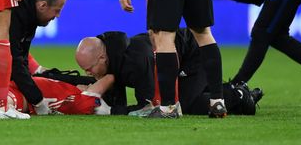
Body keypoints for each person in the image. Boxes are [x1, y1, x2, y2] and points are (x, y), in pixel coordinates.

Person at [74, 30, 262, 116]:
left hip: (192, 55)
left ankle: (240, 96)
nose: (88, 73)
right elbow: (118, 102)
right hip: (178, 56)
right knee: (188, 96)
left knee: (185, 105)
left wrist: (111, 111)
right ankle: (228, 89)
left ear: (102, 58)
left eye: (88, 69)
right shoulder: (113, 58)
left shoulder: (135, 63)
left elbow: (148, 108)